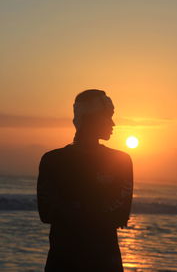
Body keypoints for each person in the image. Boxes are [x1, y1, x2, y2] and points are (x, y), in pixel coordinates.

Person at [37, 89, 133, 272]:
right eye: (108, 116)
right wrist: (95, 207)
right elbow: (46, 212)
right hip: (74, 260)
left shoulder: (53, 160)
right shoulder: (53, 160)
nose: (113, 123)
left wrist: (72, 206)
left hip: (93, 259)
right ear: (91, 119)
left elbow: (120, 215)